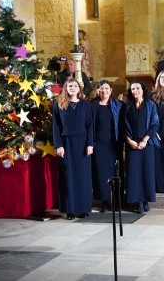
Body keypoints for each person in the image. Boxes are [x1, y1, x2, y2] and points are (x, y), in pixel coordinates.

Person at [52, 77, 94, 220]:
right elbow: (56, 127)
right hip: (66, 144)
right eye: (70, 86)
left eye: (75, 86)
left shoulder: (85, 105)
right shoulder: (59, 105)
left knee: (83, 177)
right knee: (68, 177)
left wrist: (90, 144)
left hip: (82, 144)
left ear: (79, 89)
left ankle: (83, 208)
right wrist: (58, 145)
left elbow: (90, 126)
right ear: (66, 88)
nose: (72, 88)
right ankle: (70, 210)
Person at [124, 80, 159, 214]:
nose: (135, 91)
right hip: (132, 144)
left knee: (146, 173)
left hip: (146, 144)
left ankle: (145, 200)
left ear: (143, 89)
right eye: (132, 89)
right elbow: (123, 125)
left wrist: (145, 140)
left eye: (137, 88)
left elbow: (155, 123)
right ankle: (138, 202)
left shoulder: (151, 105)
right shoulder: (127, 106)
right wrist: (129, 141)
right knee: (134, 174)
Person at [90, 80, 124, 212]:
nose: (103, 91)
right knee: (100, 174)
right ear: (98, 91)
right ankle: (104, 201)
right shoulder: (92, 105)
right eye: (101, 89)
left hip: (113, 144)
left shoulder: (119, 105)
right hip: (98, 145)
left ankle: (115, 201)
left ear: (111, 90)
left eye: (106, 88)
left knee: (114, 172)